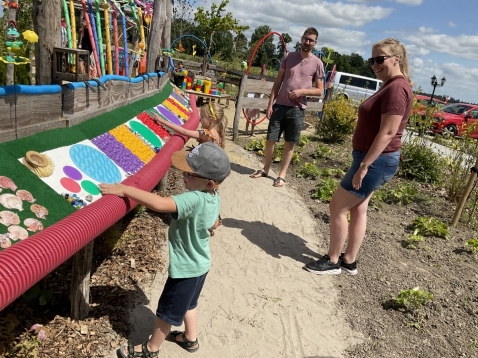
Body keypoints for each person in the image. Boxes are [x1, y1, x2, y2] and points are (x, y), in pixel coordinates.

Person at [99, 142, 231, 358]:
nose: (183, 175)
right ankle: (190, 339)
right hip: (201, 265)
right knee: (190, 303)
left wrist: (126, 190)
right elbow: (215, 222)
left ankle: (151, 349)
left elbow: (160, 205)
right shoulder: (213, 194)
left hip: (186, 270)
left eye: (189, 173)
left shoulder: (194, 198)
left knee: (168, 312)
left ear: (207, 182)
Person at [304, 38, 413, 275]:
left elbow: (388, 132)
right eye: (371, 60)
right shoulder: (391, 85)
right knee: (358, 208)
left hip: (376, 161)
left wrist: (365, 165)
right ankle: (349, 260)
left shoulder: (396, 88)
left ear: (397, 59)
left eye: (380, 59)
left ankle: (333, 261)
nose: (374, 64)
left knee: (337, 207)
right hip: (374, 159)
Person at [250, 27, 324, 187]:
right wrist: (270, 104)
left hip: (297, 109)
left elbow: (320, 90)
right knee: (270, 139)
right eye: (305, 38)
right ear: (301, 38)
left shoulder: (317, 63)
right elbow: (278, 82)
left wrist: (302, 92)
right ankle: (265, 169)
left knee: (289, 142)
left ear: (315, 43)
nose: (307, 42)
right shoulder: (289, 57)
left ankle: (282, 175)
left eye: (311, 40)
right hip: (280, 105)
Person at [153, 102, 228, 149]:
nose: (200, 118)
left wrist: (162, 121)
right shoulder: (217, 134)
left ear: (211, 119)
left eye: (202, 116)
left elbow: (183, 131)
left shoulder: (205, 133)